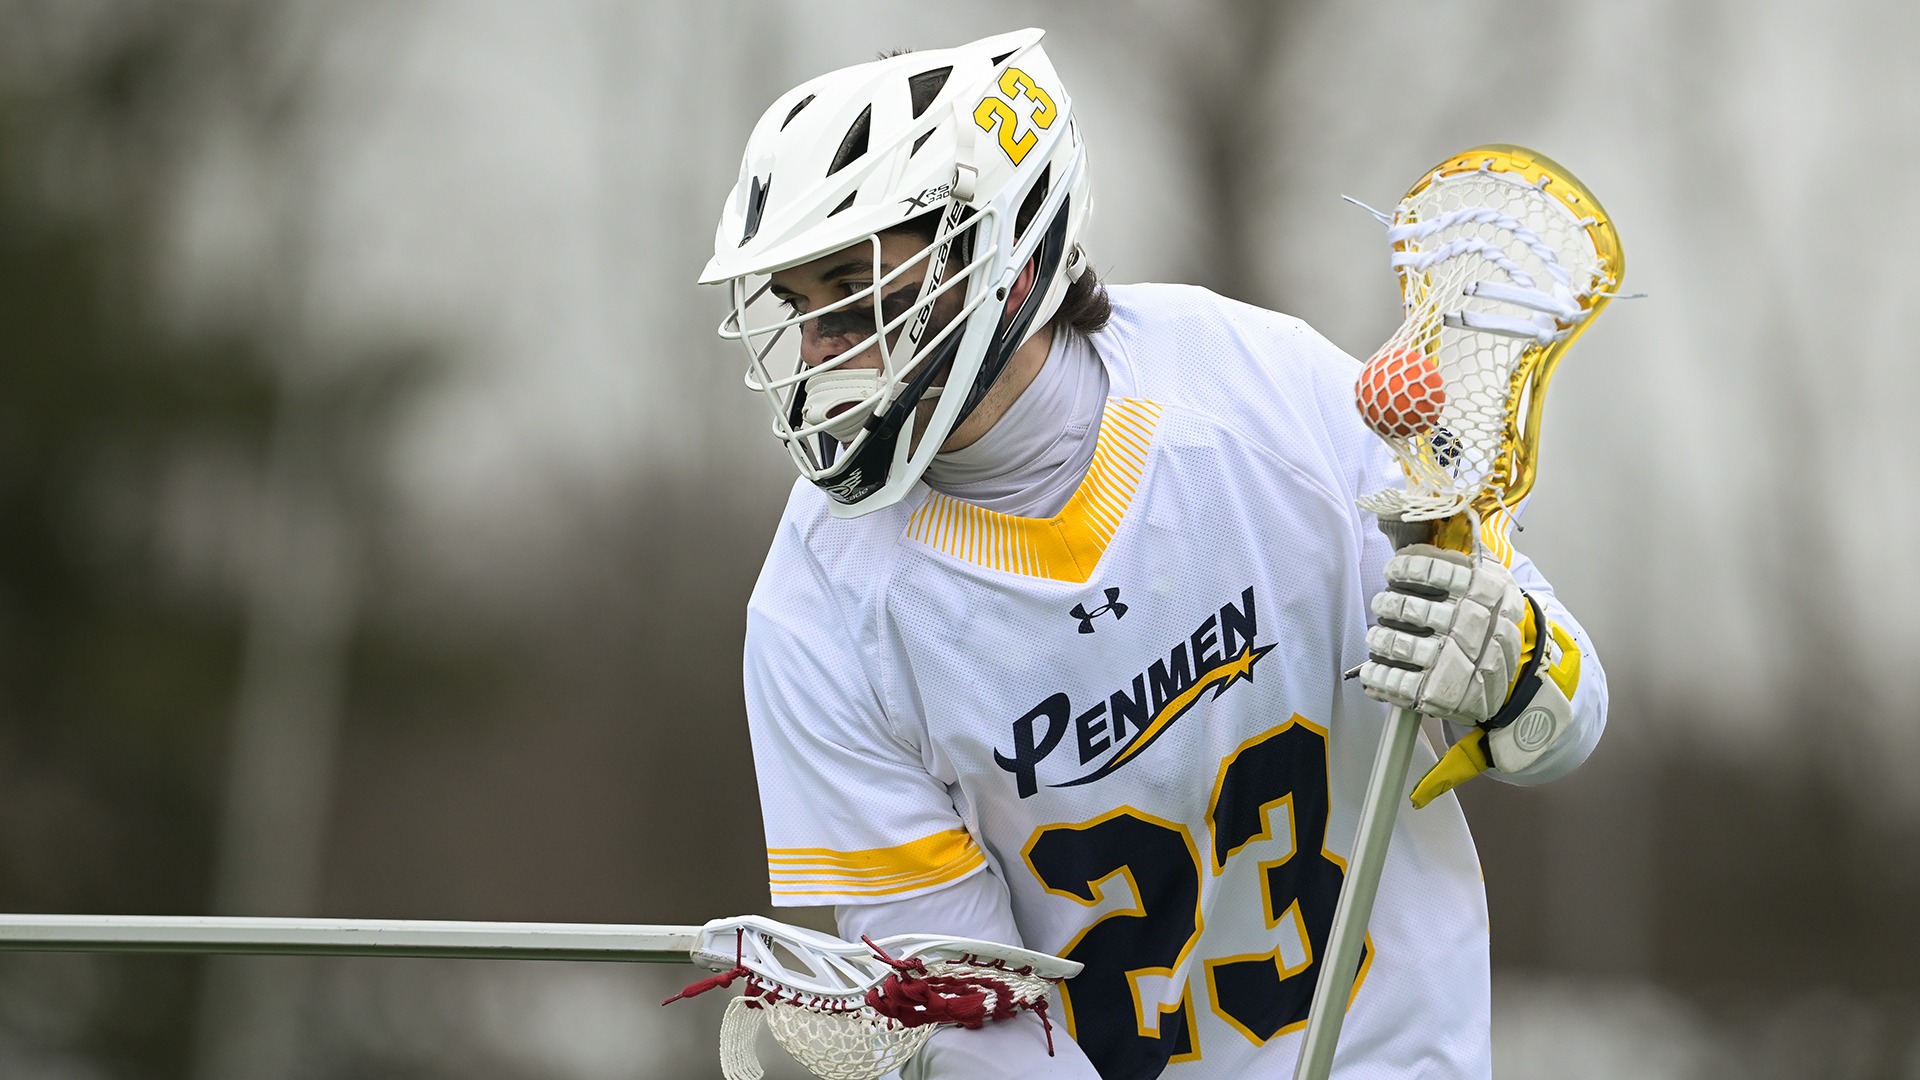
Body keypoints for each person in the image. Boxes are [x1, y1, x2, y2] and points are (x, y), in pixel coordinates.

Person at [697, 27, 1606, 1080]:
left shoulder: (1261, 397)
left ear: (1004, 252)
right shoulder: (817, 612)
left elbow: (1570, 724)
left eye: (851, 289)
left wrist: (1510, 667)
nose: (818, 349)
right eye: (801, 308)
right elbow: (971, 1023)